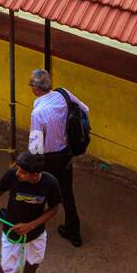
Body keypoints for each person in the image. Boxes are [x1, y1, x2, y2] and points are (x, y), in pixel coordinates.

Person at [28, 69, 88, 247]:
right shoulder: (64, 94)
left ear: (36, 89)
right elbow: (85, 109)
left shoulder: (38, 112)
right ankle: (73, 231)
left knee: (37, 191)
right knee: (67, 193)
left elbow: (36, 146)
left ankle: (28, 226)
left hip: (48, 158)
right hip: (66, 153)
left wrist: (31, 166)